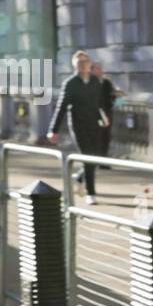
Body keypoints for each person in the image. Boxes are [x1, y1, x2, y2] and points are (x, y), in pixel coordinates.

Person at [47, 50, 105, 204]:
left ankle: (80, 177)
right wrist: (53, 130)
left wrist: (102, 118)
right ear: (75, 66)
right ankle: (91, 194)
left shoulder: (95, 81)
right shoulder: (70, 84)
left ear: (90, 64)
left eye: (85, 62)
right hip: (78, 125)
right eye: (79, 63)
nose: (83, 65)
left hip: (94, 124)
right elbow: (61, 107)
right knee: (87, 157)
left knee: (96, 157)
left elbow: (97, 103)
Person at [90, 61, 117, 165]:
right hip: (95, 114)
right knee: (97, 137)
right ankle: (96, 159)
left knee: (105, 136)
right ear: (92, 70)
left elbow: (113, 96)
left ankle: (104, 160)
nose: (100, 71)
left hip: (106, 113)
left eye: (100, 69)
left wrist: (115, 102)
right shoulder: (88, 83)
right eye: (97, 69)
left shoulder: (107, 82)